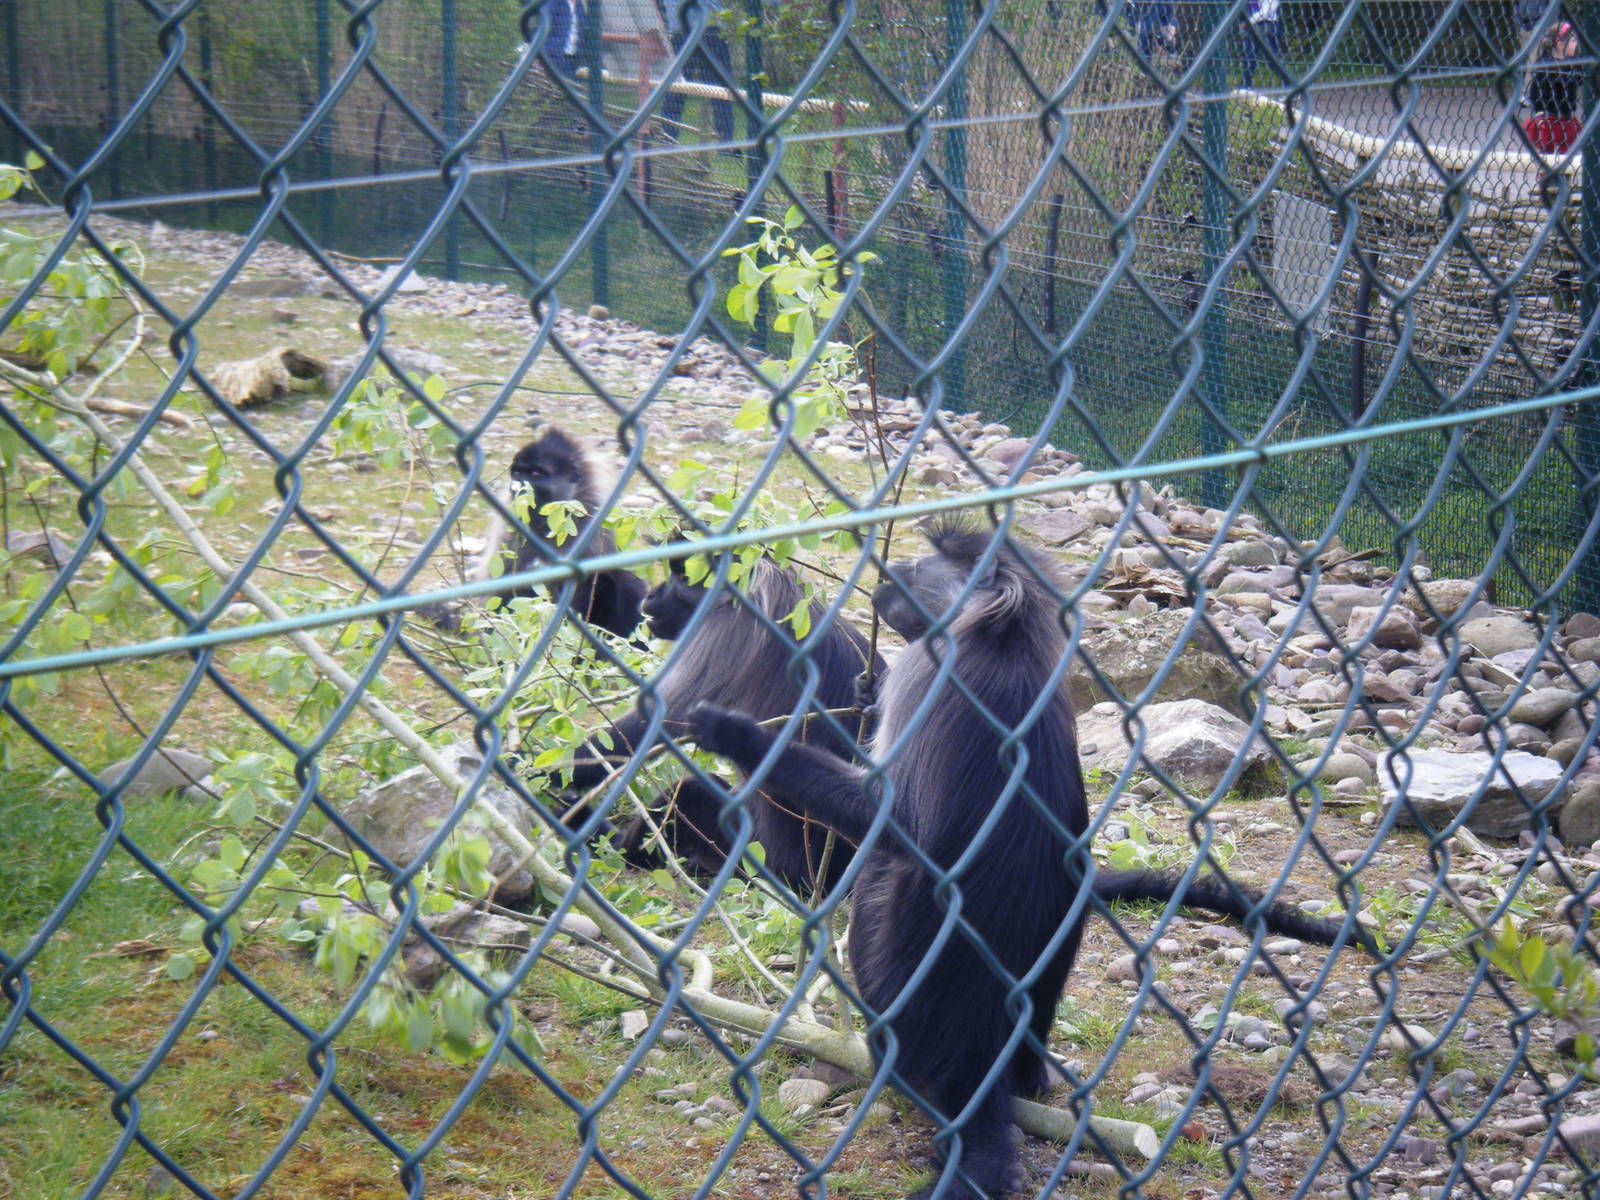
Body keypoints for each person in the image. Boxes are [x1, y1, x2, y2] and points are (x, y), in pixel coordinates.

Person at [655, 1, 735, 148]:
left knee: (720, 91)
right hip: (692, 32)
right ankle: (667, 137)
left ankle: (725, 142)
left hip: (705, 31)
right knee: (676, 90)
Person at [1525, 21, 1581, 154]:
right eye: (1572, 41)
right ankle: (1547, 174)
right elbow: (1535, 91)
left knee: (1566, 153)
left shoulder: (1574, 63)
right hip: (1548, 116)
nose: (1576, 44)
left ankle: (1564, 174)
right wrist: (1539, 114)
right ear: (1560, 44)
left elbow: (1580, 80)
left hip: (1566, 116)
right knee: (1547, 153)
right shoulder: (1546, 64)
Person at [1240, 0, 1283, 89]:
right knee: (1249, 56)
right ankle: (1246, 85)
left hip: (1268, 24)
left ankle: (1290, 85)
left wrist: (1248, 21)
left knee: (1272, 59)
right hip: (1254, 25)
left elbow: (1267, 11)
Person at [544, 0, 586, 80]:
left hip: (574, 58)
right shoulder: (553, 3)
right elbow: (542, 27)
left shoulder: (579, 6)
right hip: (554, 56)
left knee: (573, 88)